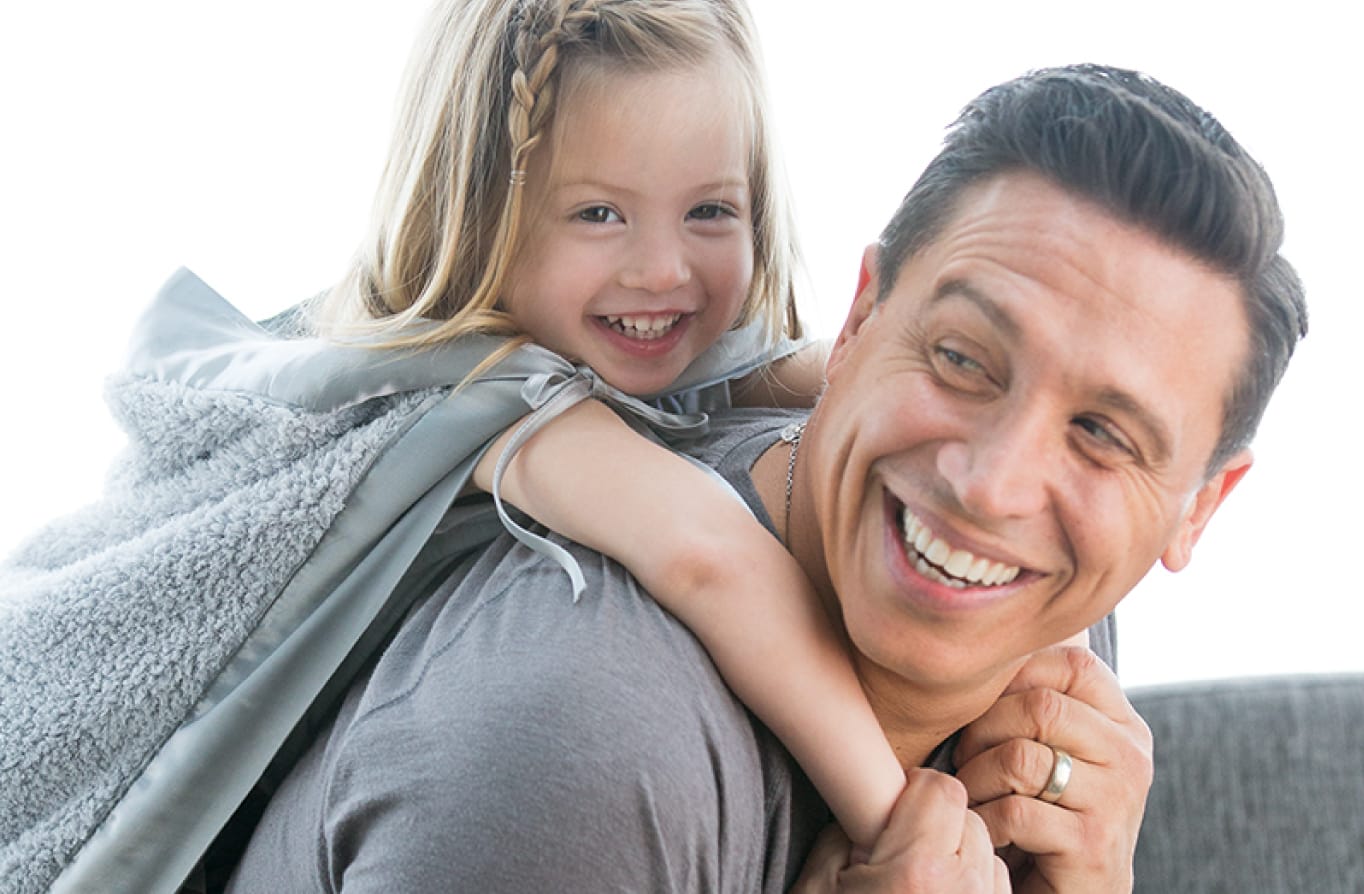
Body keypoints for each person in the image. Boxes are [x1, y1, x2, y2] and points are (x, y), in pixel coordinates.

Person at [225, 62, 1306, 893]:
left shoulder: (1038, 636)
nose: (989, 485)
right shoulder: (581, 756)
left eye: (1101, 437)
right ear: (860, 315)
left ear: (1194, 509)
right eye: (964, 360)